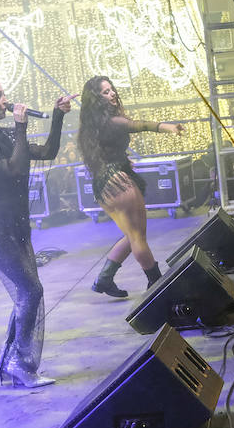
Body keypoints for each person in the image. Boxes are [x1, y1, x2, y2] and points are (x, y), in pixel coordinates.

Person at [0, 78, 72, 387]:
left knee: (27, 292)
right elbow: (14, 170)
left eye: (4, 94)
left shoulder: (4, 133)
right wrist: (21, 127)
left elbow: (47, 151)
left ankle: (14, 362)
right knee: (31, 290)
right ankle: (19, 363)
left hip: (14, 222)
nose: (5, 100)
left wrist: (57, 114)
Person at [77, 75, 184, 298]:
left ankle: (104, 279)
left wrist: (122, 160)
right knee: (137, 237)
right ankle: (157, 284)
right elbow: (139, 125)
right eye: (105, 92)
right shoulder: (112, 122)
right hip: (119, 182)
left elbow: (106, 152)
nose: (112, 93)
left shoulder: (92, 125)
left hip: (104, 185)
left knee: (130, 234)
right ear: (97, 100)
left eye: (111, 89)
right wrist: (167, 127)